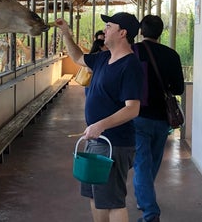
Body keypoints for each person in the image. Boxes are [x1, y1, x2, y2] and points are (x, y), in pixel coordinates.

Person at [57, 12, 143, 222]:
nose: (105, 29)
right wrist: (66, 33)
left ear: (122, 33)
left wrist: (100, 125)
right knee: (94, 195)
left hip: (114, 142)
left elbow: (133, 109)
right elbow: (78, 57)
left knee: (113, 200)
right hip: (97, 139)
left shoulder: (130, 66)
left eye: (110, 26)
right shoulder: (104, 57)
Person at [132, 15, 185, 222]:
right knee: (152, 162)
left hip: (138, 116)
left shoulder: (133, 52)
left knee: (142, 164)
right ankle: (144, 198)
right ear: (160, 32)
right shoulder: (171, 55)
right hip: (163, 118)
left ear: (141, 31)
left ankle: (150, 210)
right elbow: (179, 88)